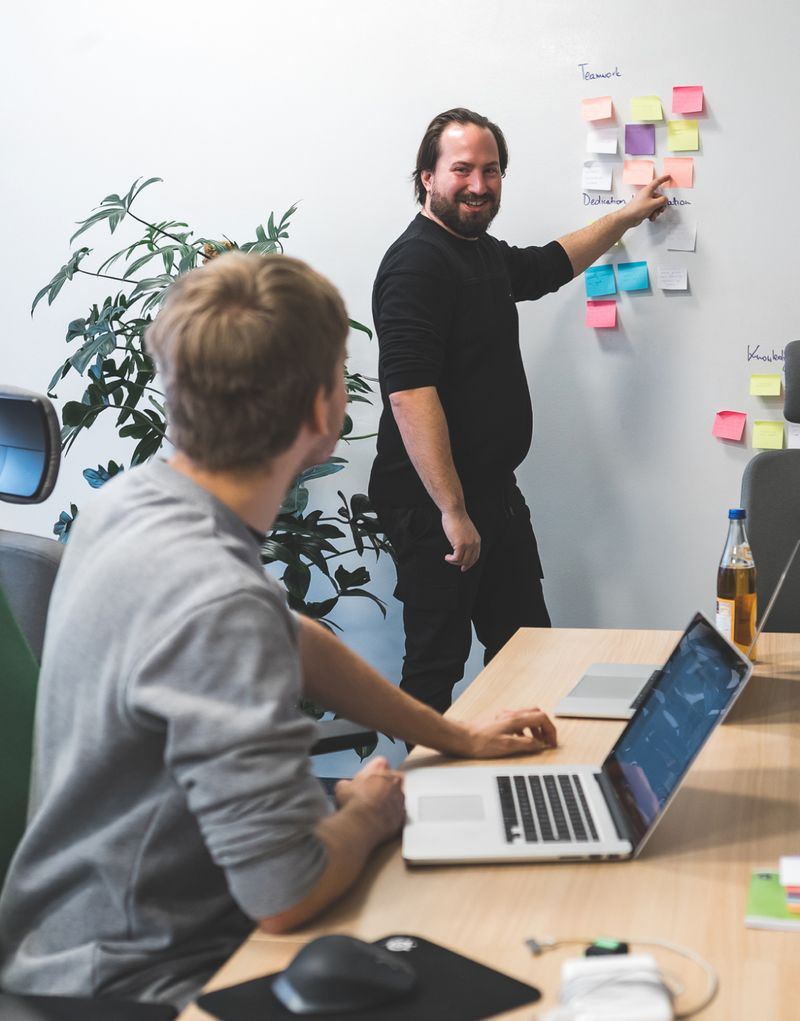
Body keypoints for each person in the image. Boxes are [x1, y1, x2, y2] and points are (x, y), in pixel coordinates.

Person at [0, 252, 557, 1010]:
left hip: (76, 936)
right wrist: (368, 811)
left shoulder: (131, 503)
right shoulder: (215, 600)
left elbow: (285, 632)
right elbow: (286, 890)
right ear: (320, 413)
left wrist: (450, 734)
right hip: (139, 983)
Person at [368, 107, 668, 715]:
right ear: (426, 175)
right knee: (436, 664)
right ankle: (410, 803)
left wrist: (628, 216)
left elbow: (548, 265)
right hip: (435, 506)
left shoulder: (476, 250)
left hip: (493, 494)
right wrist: (452, 510)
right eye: (462, 170)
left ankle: (521, 786)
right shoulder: (417, 264)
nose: (478, 185)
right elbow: (409, 393)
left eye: (491, 170)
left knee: (529, 648)